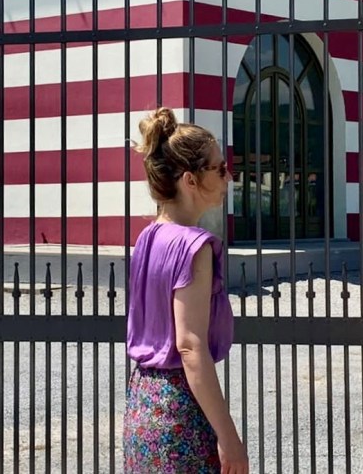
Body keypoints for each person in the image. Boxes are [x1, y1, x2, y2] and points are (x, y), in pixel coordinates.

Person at [123, 107, 249, 474]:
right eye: (220, 169)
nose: (229, 177)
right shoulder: (195, 247)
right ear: (190, 180)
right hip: (181, 411)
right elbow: (190, 347)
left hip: (144, 404)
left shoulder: (148, 238)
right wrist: (229, 438)